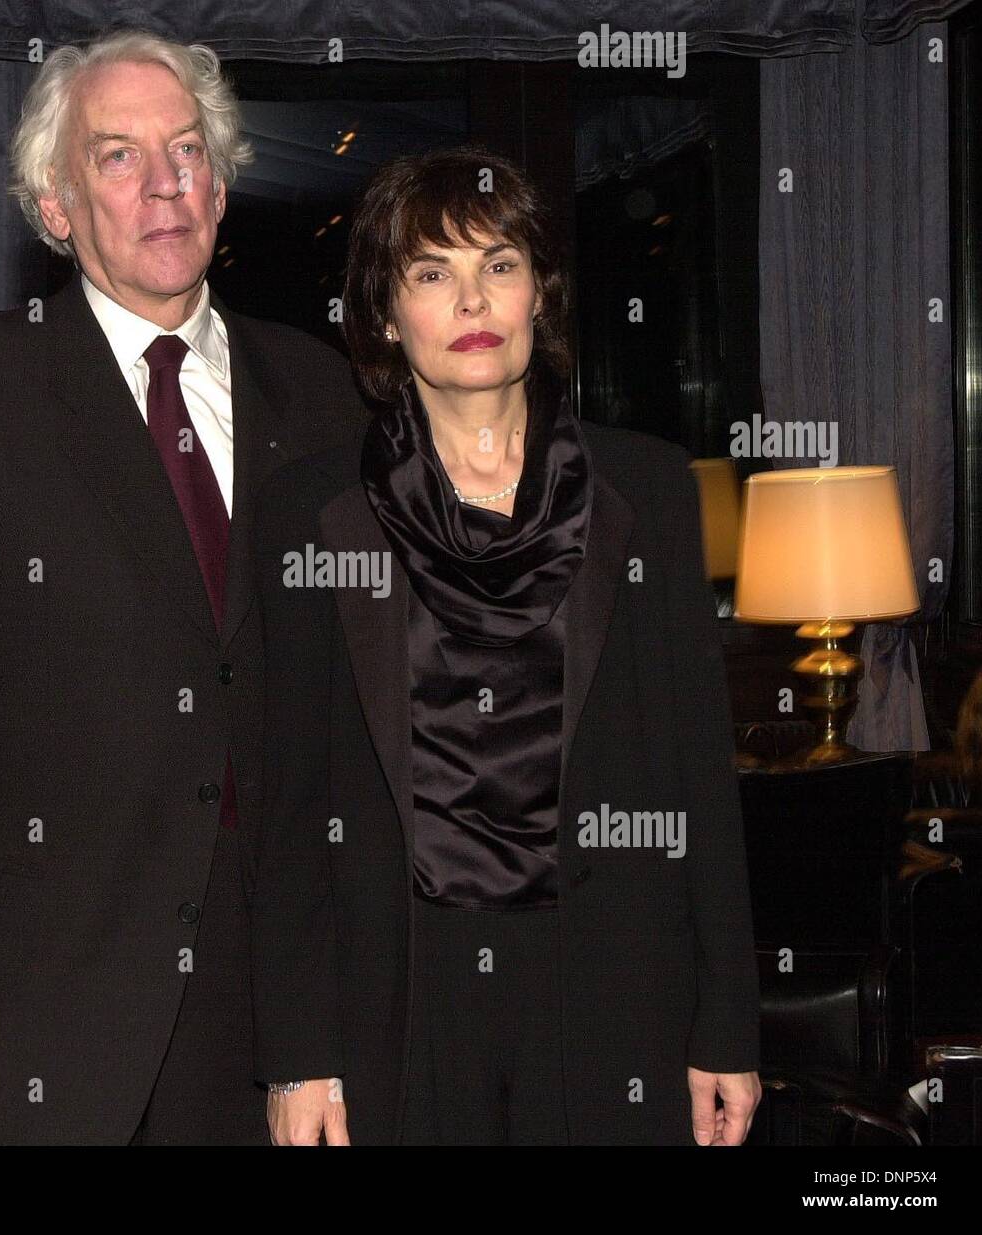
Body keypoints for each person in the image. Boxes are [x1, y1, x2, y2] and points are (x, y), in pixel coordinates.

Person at [0, 29, 365, 1145]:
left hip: (281, 996)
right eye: (117, 156)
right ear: (57, 205)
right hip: (49, 1001)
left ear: (220, 183)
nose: (164, 183)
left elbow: (354, 701)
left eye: (187, 151)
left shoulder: (316, 391)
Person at [249, 146, 762, 1145]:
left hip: (612, 978)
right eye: (432, 272)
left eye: (500, 262)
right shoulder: (307, 512)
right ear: (387, 315)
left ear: (539, 293)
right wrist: (296, 1052)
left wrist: (728, 1020)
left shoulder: (650, 489)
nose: (473, 297)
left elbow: (703, 773)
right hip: (403, 989)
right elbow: (290, 805)